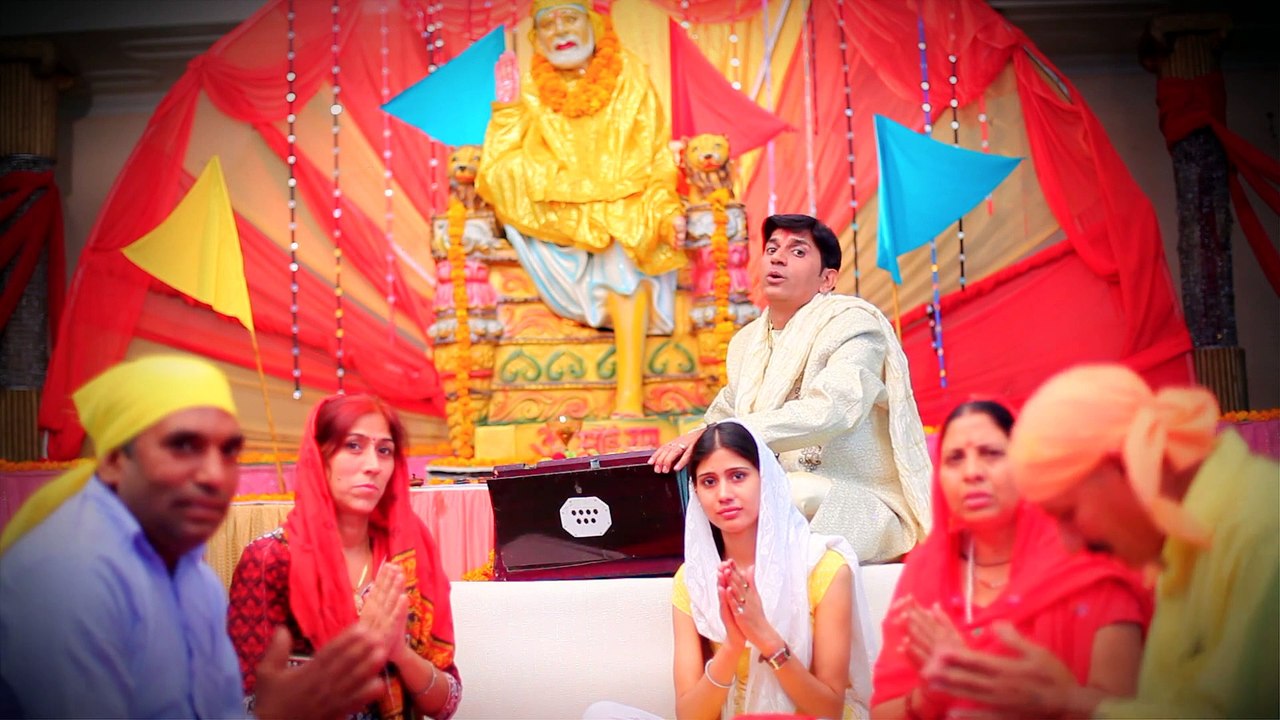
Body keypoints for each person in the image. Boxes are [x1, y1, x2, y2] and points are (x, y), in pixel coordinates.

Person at [0, 354, 387, 719]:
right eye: (184, 446)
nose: (214, 476)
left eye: (229, 451)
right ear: (115, 460)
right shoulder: (69, 575)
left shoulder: (195, 579)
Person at [922, 364, 1279, 718]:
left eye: (1069, 513)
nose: (1071, 544)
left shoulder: (1260, 532)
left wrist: (1071, 703)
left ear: (1122, 465)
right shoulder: (1183, 542)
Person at [651, 213, 932, 564]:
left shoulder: (853, 325)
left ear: (827, 279)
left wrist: (725, 432)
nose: (778, 258)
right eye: (772, 249)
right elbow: (723, 414)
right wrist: (683, 445)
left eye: (797, 252)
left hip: (859, 502)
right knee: (703, 492)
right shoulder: (747, 342)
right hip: (767, 497)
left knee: (793, 492)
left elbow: (833, 410)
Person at [870, 399, 1151, 719]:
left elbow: (1125, 707)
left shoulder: (1085, 563)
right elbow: (882, 711)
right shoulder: (926, 570)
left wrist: (1059, 700)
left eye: (991, 453)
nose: (972, 473)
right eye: (955, 458)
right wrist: (928, 697)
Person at [477, 0, 687, 418]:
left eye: (569, 18)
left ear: (593, 24)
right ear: (536, 36)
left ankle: (629, 400)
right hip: (553, 213)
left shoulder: (629, 74)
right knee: (518, 183)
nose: (559, 31)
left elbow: (655, 157)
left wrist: (665, 207)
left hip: (623, 203)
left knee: (624, 246)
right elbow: (495, 166)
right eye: (548, 24)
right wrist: (506, 110)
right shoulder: (530, 85)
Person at [227, 393, 461, 719]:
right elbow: (246, 708)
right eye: (354, 446)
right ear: (319, 457)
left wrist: (400, 653)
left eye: (384, 450)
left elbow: (446, 703)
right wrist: (360, 650)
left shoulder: (406, 556)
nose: (373, 465)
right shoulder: (271, 560)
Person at [671, 420, 876, 719]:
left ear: (766, 480)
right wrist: (732, 645)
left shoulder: (823, 567)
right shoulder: (693, 580)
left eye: (738, 476)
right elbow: (688, 715)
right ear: (697, 494)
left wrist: (765, 637)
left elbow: (828, 708)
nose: (723, 493)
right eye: (709, 481)